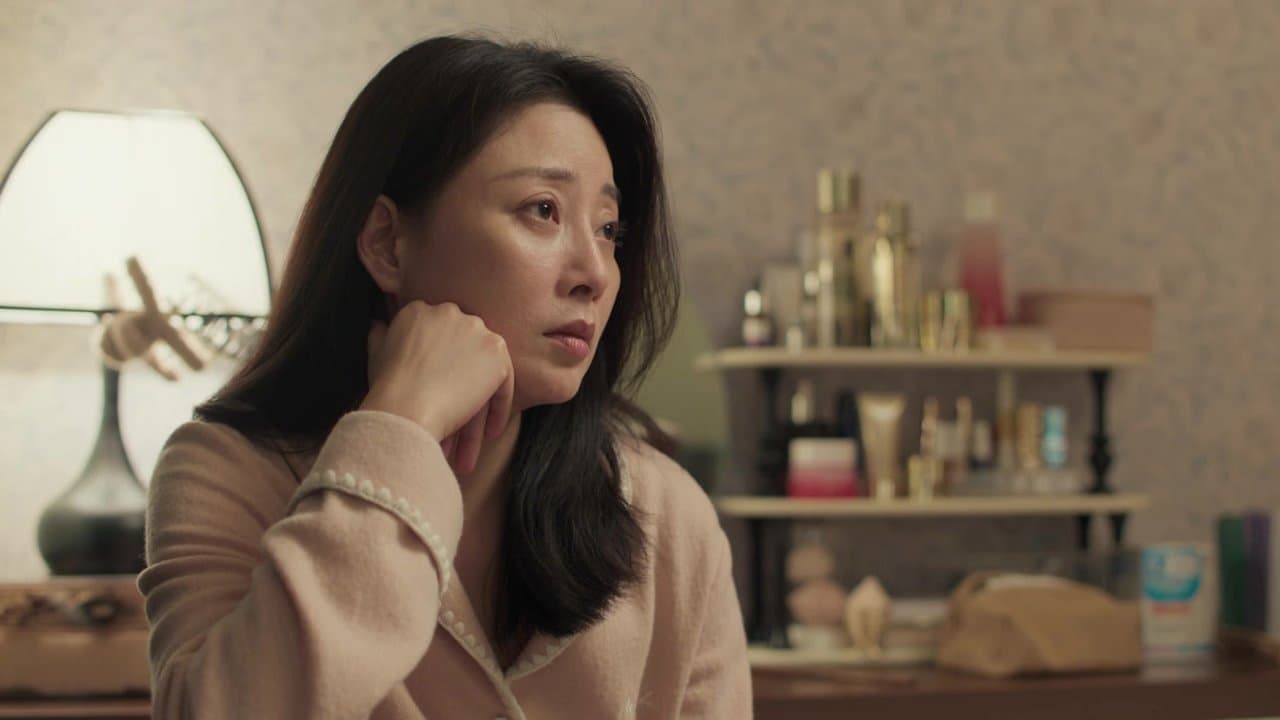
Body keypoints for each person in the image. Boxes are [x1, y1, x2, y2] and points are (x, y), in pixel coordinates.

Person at [137, 35, 752, 719]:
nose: (595, 273)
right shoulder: (227, 472)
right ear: (387, 242)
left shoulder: (664, 512)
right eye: (543, 209)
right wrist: (398, 426)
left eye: (608, 229)